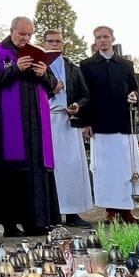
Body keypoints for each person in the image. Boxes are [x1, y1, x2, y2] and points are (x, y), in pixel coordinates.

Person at [0, 17, 60, 237]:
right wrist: (16, 69)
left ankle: (37, 222)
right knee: (11, 171)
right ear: (12, 30)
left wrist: (43, 74)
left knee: (37, 170)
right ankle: (10, 224)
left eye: (29, 34)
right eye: (22, 34)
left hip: (37, 123)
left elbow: (53, 86)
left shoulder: (37, 53)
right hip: (10, 123)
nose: (26, 38)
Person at [76, 25, 139, 224]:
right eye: (98, 38)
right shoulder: (87, 65)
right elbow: (84, 94)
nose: (102, 41)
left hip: (123, 123)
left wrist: (134, 96)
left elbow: (134, 89)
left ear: (112, 38)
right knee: (106, 170)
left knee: (126, 167)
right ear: (95, 41)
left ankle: (127, 209)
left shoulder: (125, 64)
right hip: (100, 123)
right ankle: (111, 210)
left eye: (105, 37)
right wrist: (85, 122)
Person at [40, 28, 93, 228]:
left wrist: (78, 105)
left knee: (72, 167)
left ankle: (72, 212)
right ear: (44, 43)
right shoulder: (39, 67)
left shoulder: (72, 68)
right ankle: (51, 214)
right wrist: (51, 91)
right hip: (47, 121)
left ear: (63, 44)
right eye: (50, 41)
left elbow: (85, 94)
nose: (54, 44)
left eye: (58, 41)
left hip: (69, 121)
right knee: (52, 169)